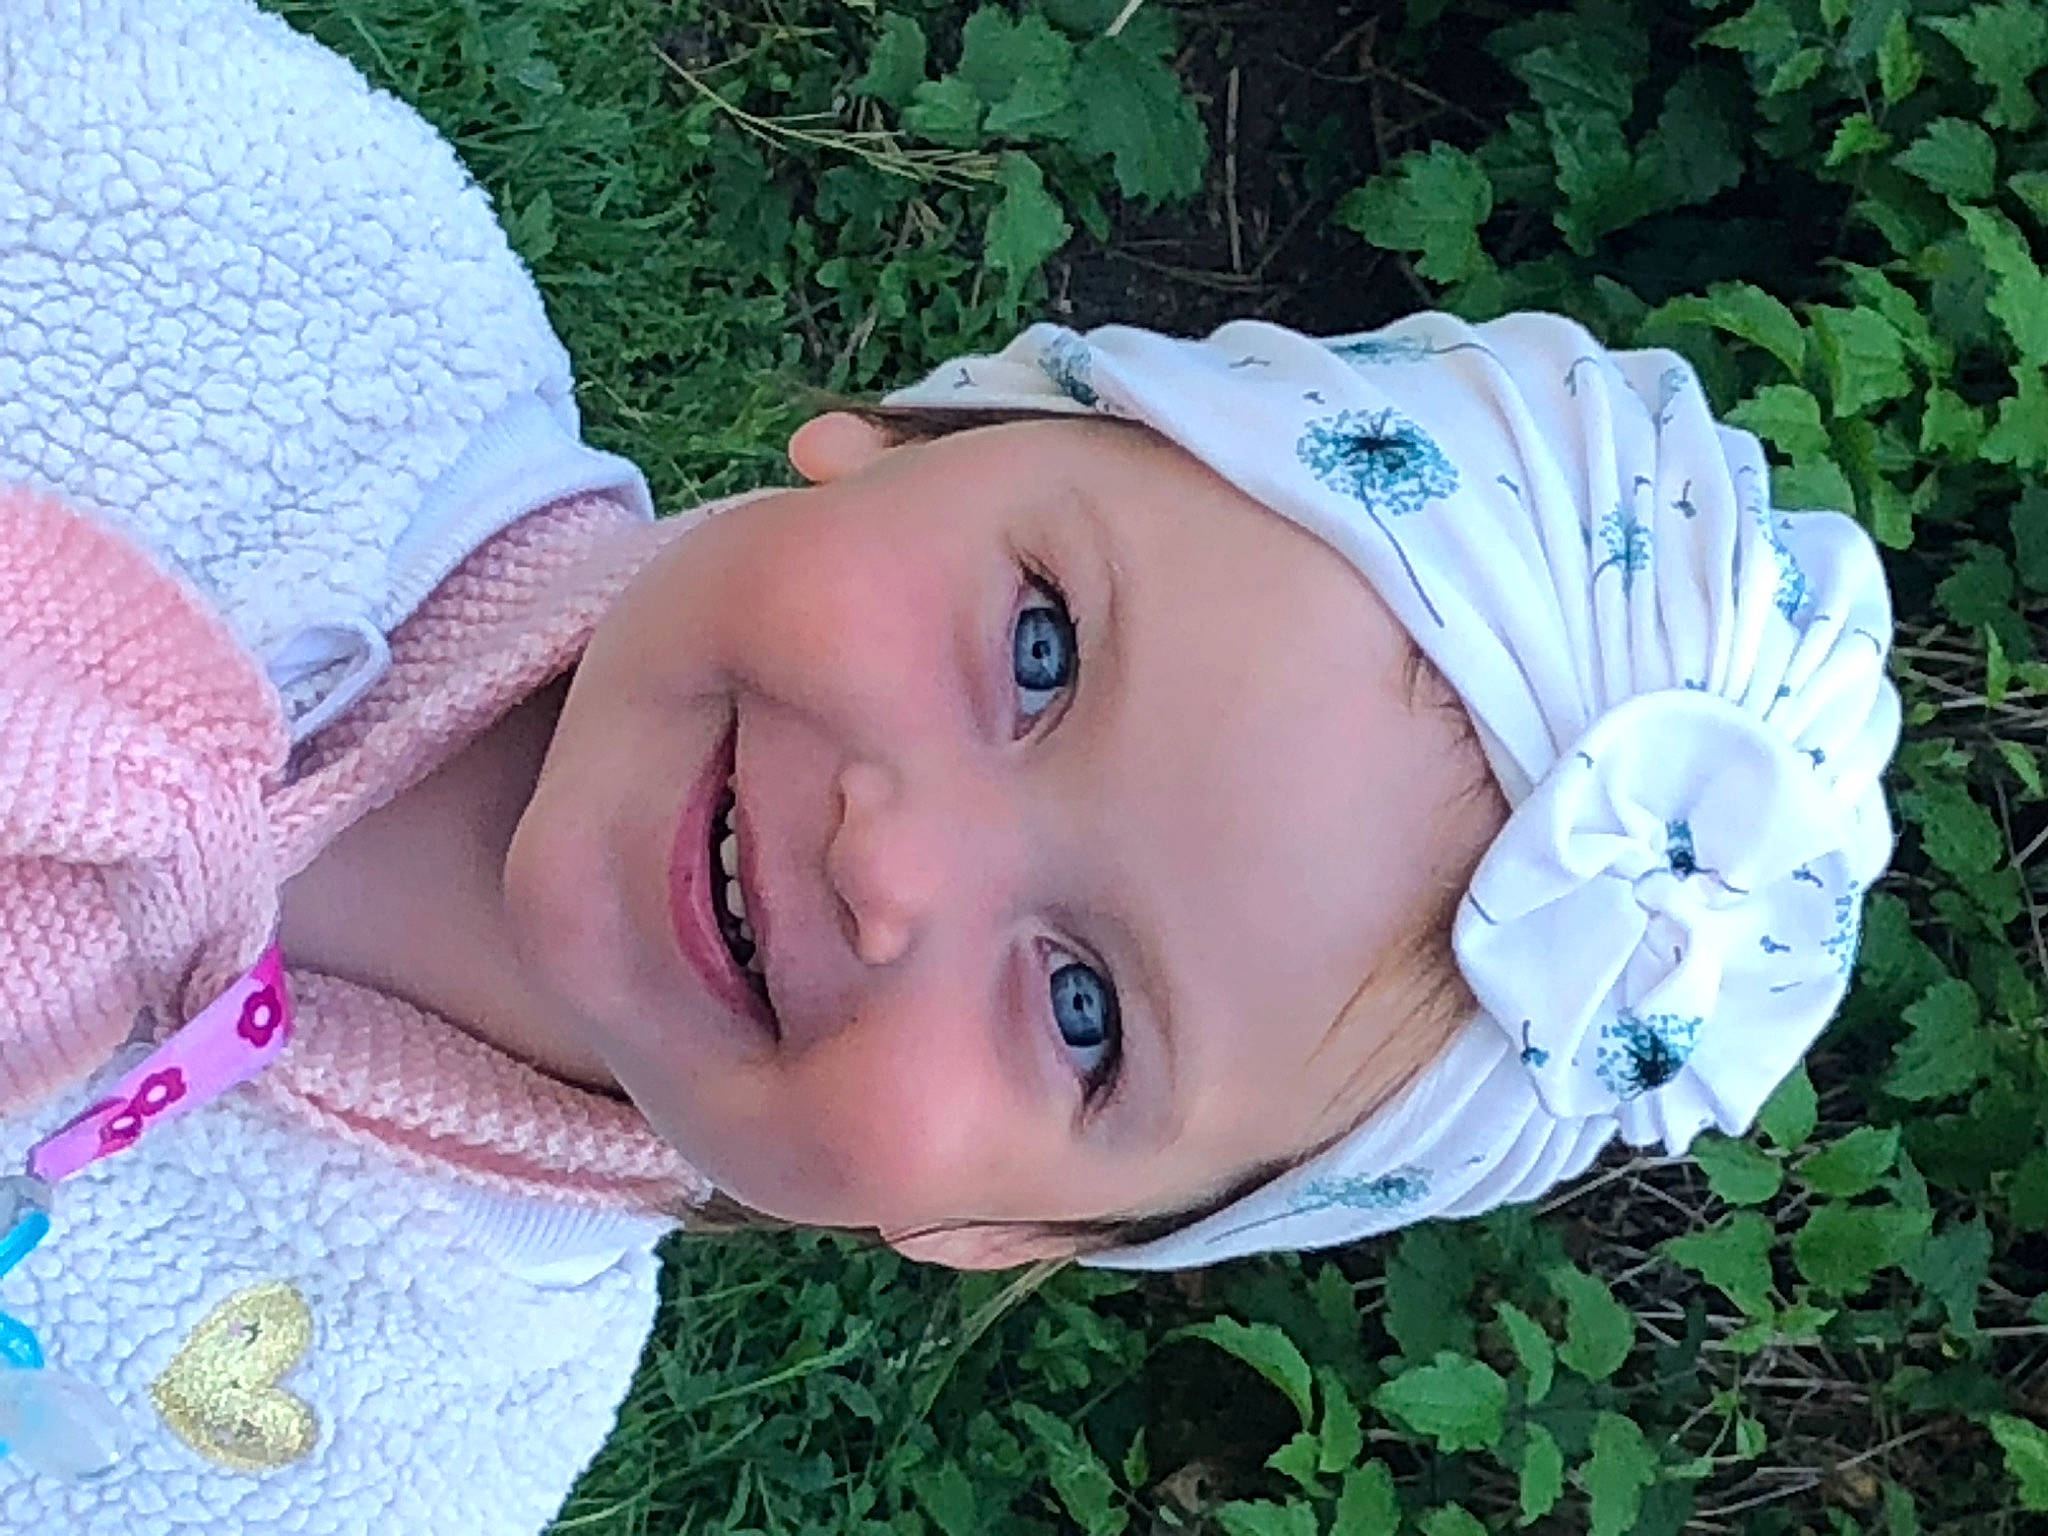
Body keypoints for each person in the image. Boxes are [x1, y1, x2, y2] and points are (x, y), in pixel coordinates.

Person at [0, 0, 1901, 1528]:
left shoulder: (405, 1447)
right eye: (1042, 652)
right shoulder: (245, 219)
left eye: (1084, 1013)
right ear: (934, 430)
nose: (891, 869)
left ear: (1000, 1233)